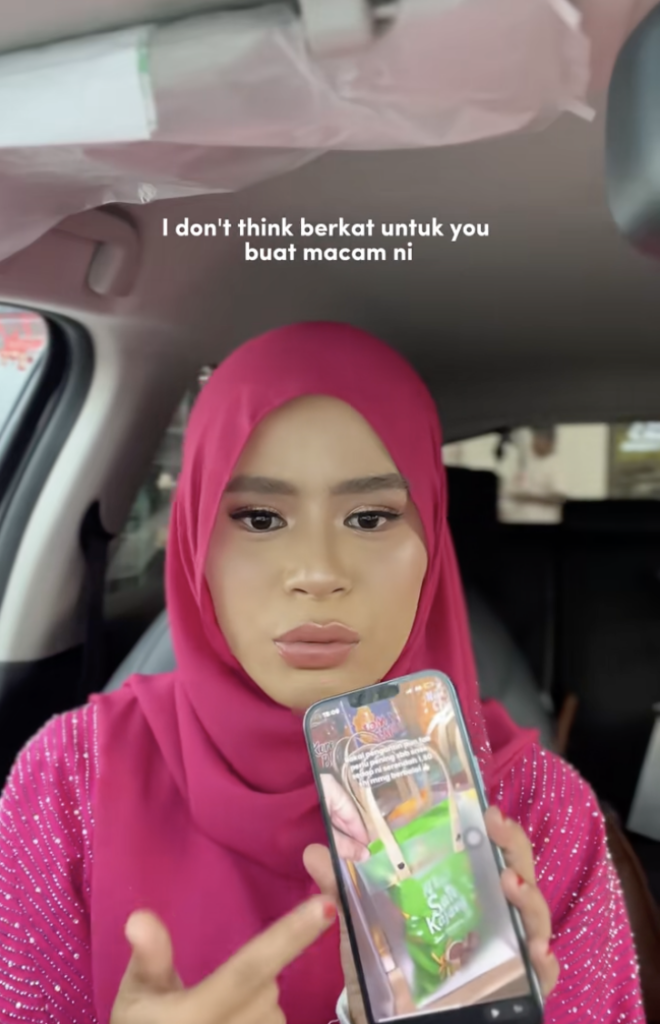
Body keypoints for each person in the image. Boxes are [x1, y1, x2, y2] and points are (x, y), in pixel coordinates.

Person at [0, 322, 644, 1024]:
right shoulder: (70, 777)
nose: (317, 572)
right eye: (259, 518)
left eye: (369, 518)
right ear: (193, 541)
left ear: (432, 540)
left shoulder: (535, 812)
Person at [499, 427, 567, 524]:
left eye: (539, 439)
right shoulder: (525, 462)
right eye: (534, 438)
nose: (534, 443)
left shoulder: (555, 465)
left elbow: (559, 498)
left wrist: (527, 497)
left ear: (549, 442)